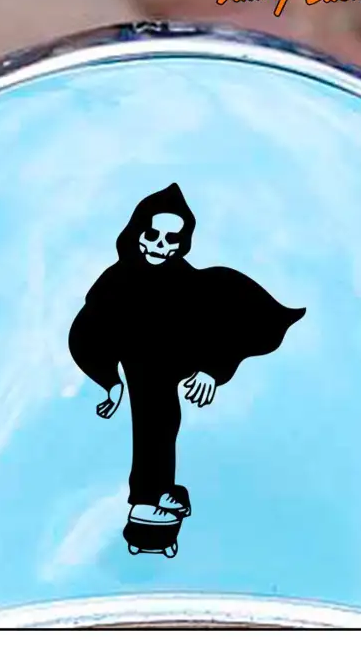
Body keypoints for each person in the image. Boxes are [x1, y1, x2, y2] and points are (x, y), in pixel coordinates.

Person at [69, 183, 305, 524]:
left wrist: (213, 370)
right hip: (140, 361)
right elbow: (86, 332)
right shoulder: (115, 281)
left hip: (181, 353)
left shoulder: (194, 282)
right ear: (137, 233)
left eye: (171, 240)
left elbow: (229, 323)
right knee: (154, 418)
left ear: (182, 244)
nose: (160, 246)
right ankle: (147, 496)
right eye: (152, 235)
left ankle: (158, 489)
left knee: (164, 420)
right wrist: (110, 380)